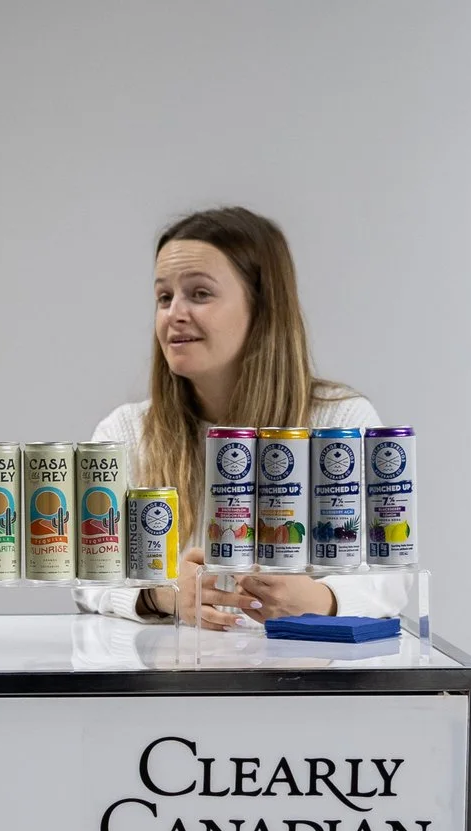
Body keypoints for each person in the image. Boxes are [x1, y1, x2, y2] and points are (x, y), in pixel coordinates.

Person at [86, 206, 391, 629]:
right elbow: (87, 574)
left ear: (262, 309)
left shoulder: (342, 420)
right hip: (171, 688)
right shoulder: (126, 432)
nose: (174, 313)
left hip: (300, 688)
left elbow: (390, 578)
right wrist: (161, 594)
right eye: (163, 297)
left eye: (200, 293)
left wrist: (323, 599)